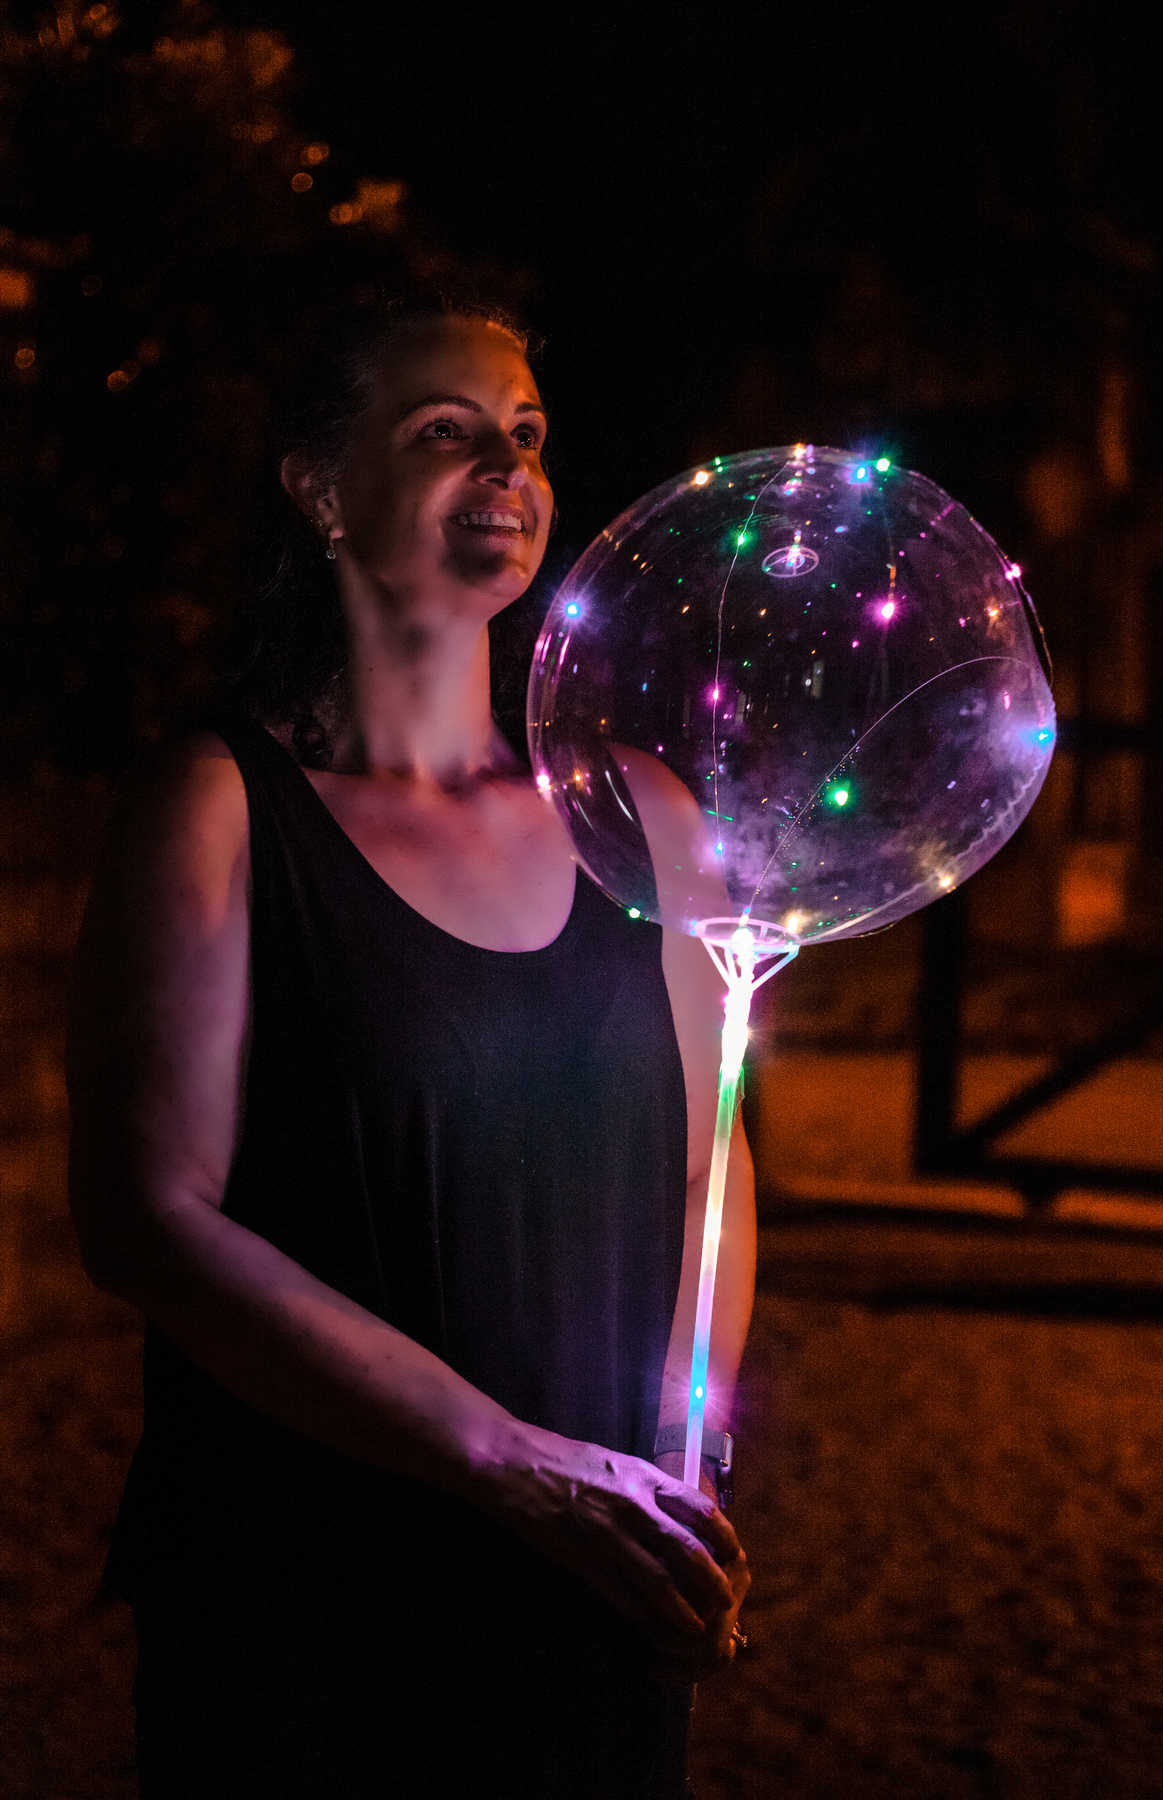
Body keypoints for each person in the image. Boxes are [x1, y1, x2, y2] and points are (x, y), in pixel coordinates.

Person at [67, 296, 755, 1799]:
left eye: (529, 434)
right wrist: (507, 1461)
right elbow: (145, 1217)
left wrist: (677, 1475)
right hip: (302, 1590)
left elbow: (711, 1166)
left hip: (582, 1584)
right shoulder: (218, 806)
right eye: (448, 431)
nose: (508, 468)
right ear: (320, 487)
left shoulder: (641, 817)